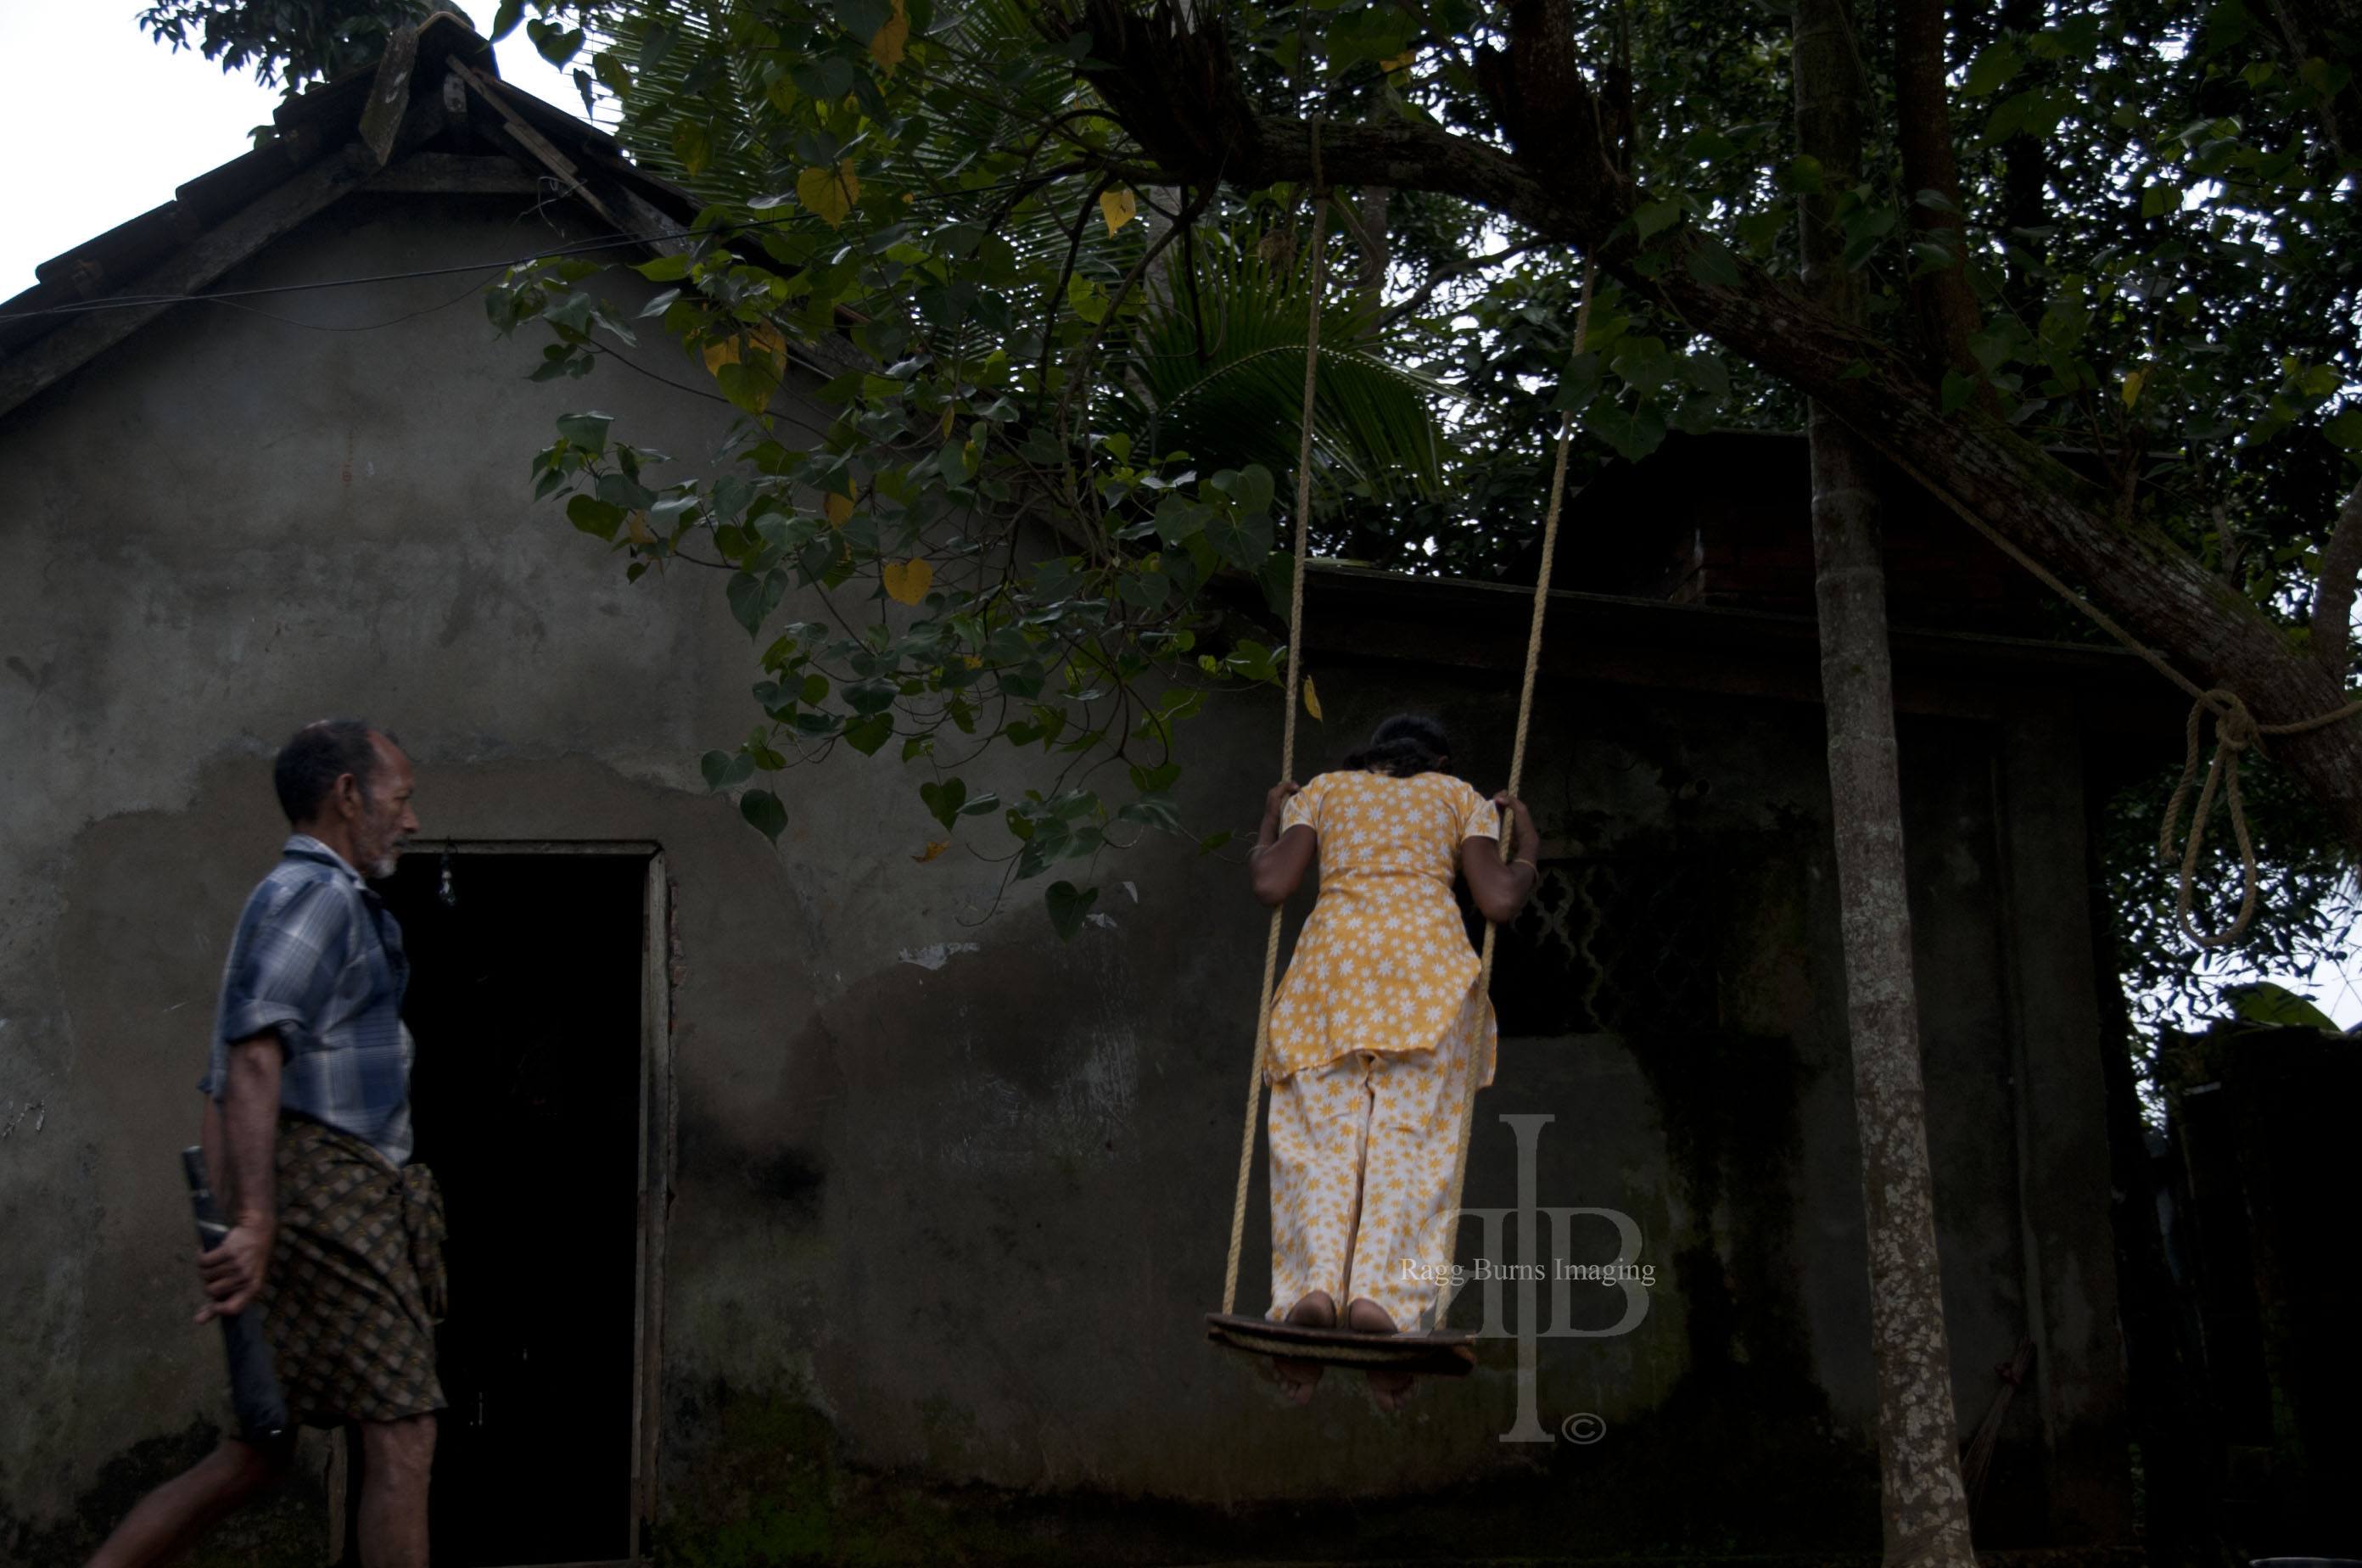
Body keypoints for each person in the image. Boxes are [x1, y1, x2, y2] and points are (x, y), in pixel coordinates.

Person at [89, 720, 441, 1568]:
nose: (413, 820)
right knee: (402, 1432)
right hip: (331, 1191)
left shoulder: (307, 898)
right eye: (402, 798)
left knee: (262, 1447)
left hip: (321, 1194)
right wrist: (253, 1220)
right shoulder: (313, 896)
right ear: (347, 796)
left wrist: (234, 1219)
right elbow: (251, 1058)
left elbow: (223, 1080)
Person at [1246, 713, 1539, 1410]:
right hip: (1427, 984)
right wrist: (1525, 840)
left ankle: (1312, 1292)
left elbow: (1271, 885)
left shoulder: (1325, 791)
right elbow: (1498, 899)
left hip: (1332, 979)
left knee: (1318, 1140)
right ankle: (1385, 1302)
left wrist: (1269, 820)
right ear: (1436, 759)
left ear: (1368, 755)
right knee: (1409, 1147)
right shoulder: (1456, 796)